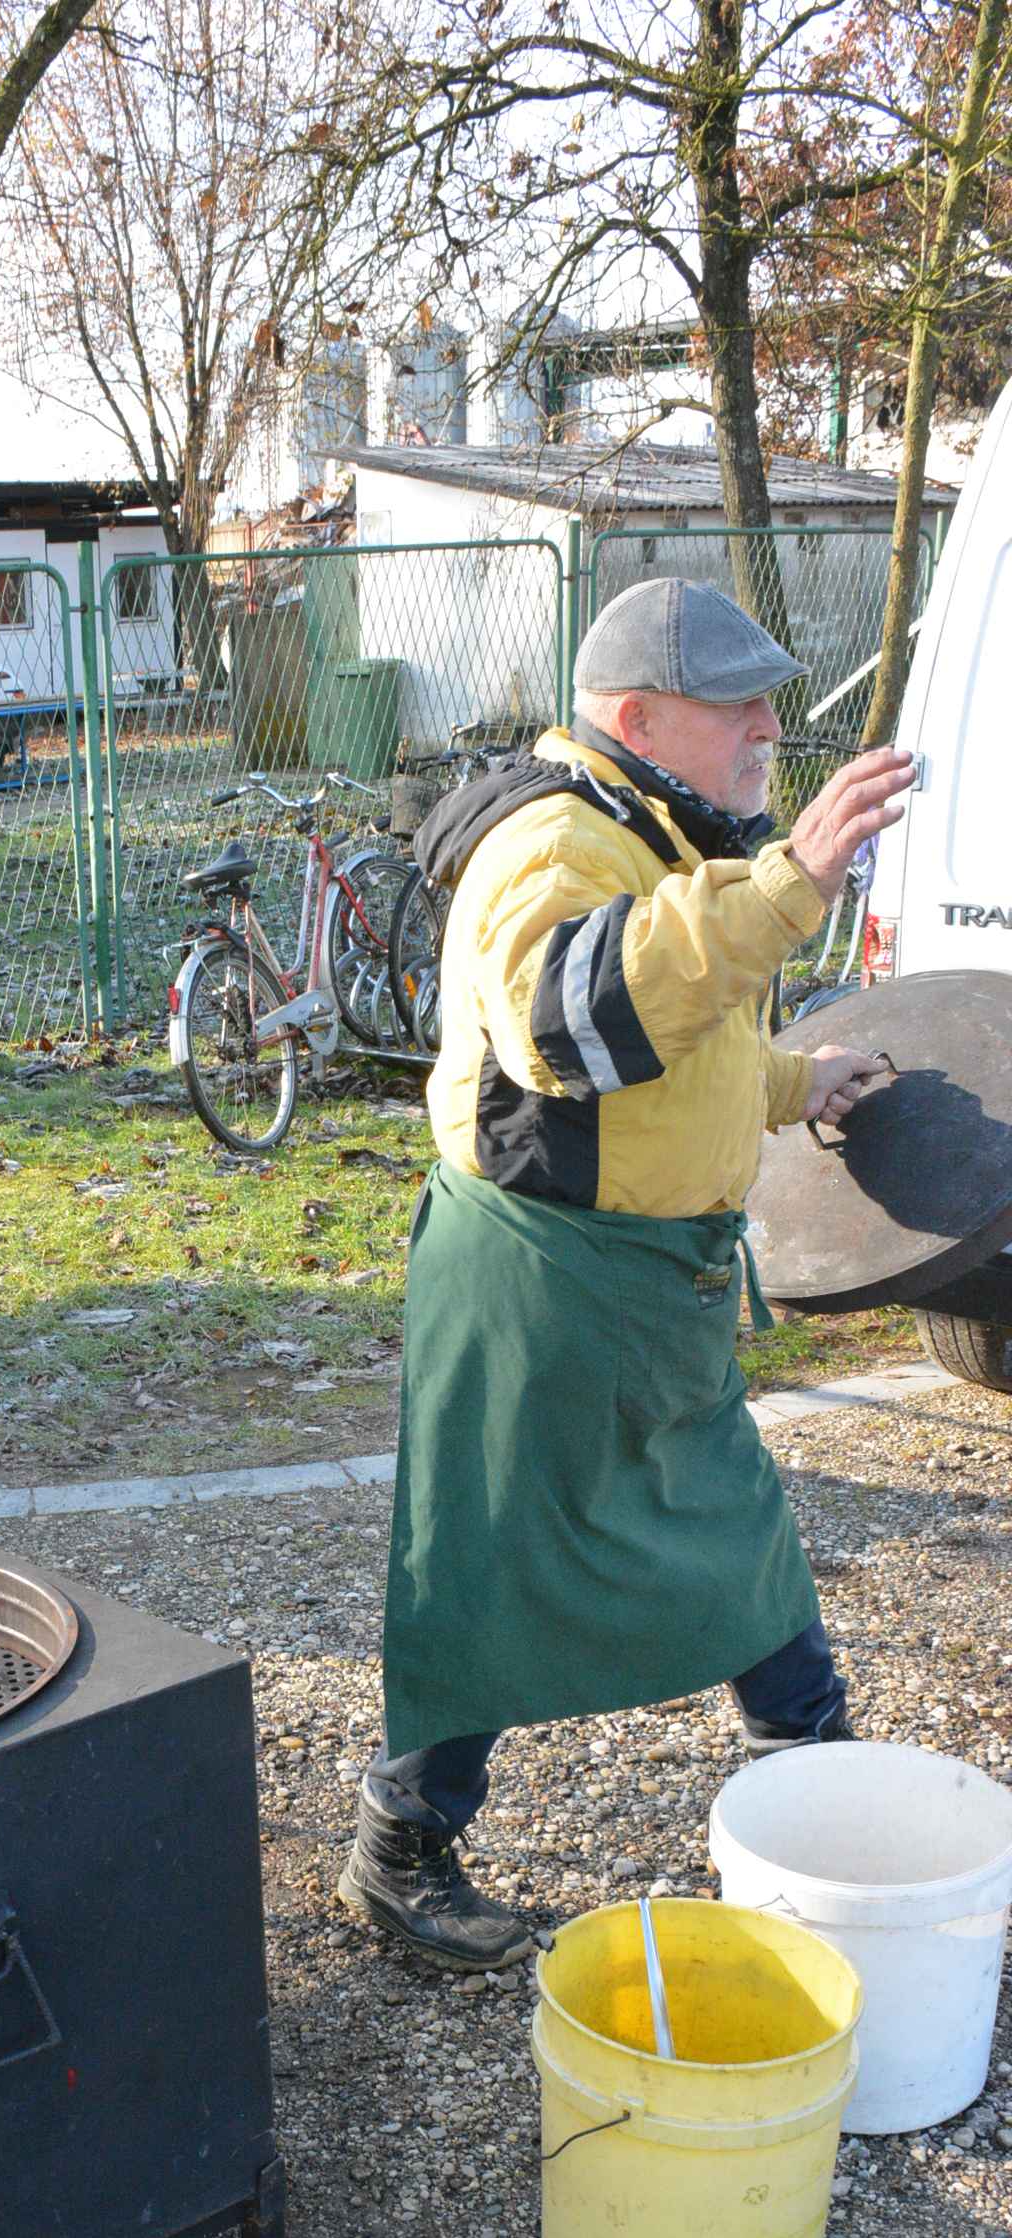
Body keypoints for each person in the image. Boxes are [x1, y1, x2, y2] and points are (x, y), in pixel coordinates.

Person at [336, 576, 913, 1968]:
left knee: (735, 1535)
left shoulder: (652, 826)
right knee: (489, 1570)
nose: (773, 726)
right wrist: (785, 894)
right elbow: (567, 1027)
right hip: (541, 1285)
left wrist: (791, 1082)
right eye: (742, 704)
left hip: (645, 1285)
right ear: (639, 715)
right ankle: (399, 1850)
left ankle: (814, 1793)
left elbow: (673, 1046)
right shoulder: (552, 844)